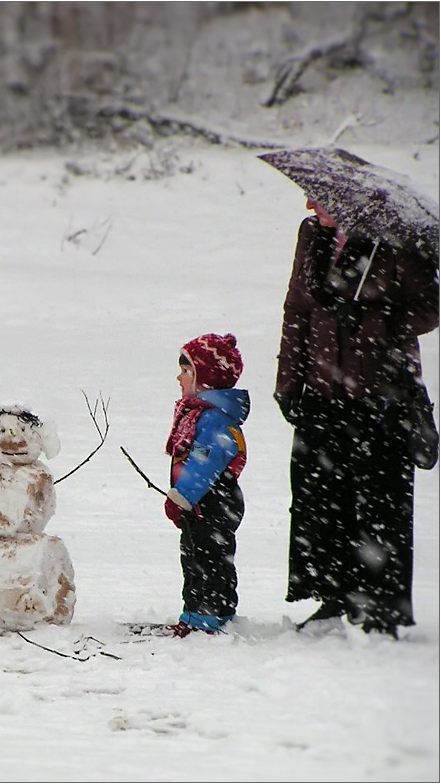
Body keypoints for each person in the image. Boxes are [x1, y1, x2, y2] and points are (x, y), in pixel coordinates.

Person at [274, 198, 439, 638]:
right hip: (323, 395)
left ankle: (381, 609)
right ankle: (335, 595)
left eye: (321, 200)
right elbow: (297, 309)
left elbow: (430, 305)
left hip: (381, 397)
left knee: (381, 501)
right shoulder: (313, 235)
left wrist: (375, 316)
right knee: (321, 498)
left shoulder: (395, 242)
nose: (309, 204)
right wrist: (288, 384)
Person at [163, 333, 250, 638]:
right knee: (194, 556)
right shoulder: (199, 415)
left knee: (211, 558)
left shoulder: (214, 420)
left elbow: (205, 462)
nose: (179, 377)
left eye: (186, 371)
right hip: (199, 503)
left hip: (212, 501)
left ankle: (211, 615)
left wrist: (182, 496)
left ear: (206, 379)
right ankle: (194, 611)